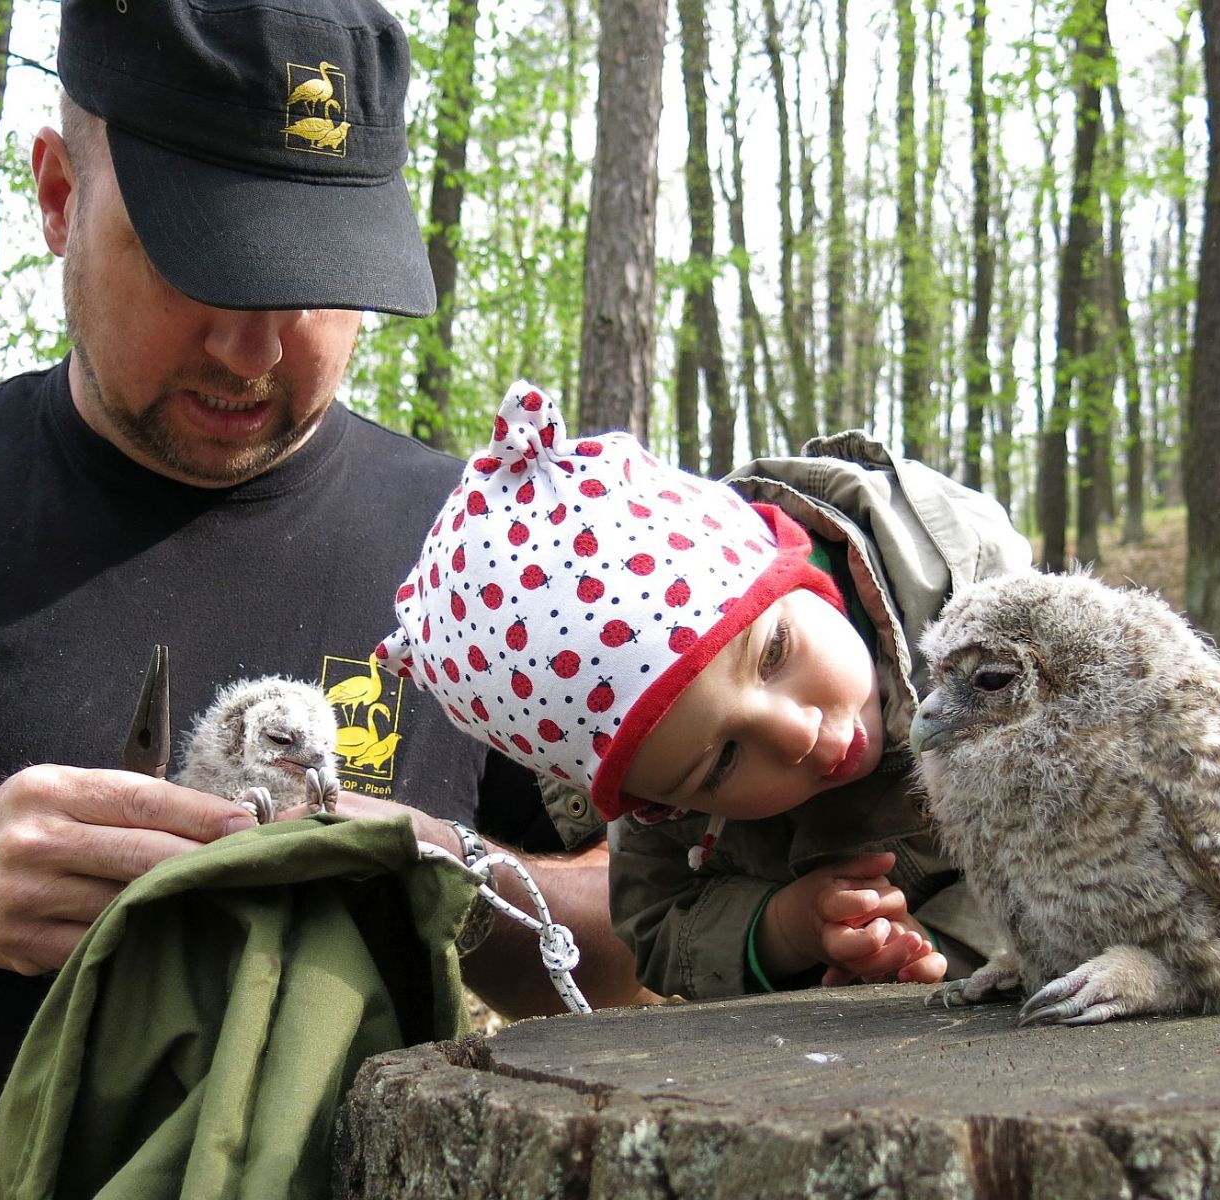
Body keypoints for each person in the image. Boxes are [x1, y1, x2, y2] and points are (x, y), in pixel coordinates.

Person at [0, 0, 645, 1186]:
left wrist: (440, 872)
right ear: (61, 194)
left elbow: (636, 951)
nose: (257, 346)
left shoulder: (484, 554)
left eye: (317, 280)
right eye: (201, 259)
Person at [378, 381, 1035, 1002]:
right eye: (722, 761)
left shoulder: (987, 624)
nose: (795, 731)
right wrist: (785, 928)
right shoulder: (659, 807)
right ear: (658, 804)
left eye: (774, 652)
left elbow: (1092, 820)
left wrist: (953, 943)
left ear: (798, 566)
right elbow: (658, 925)